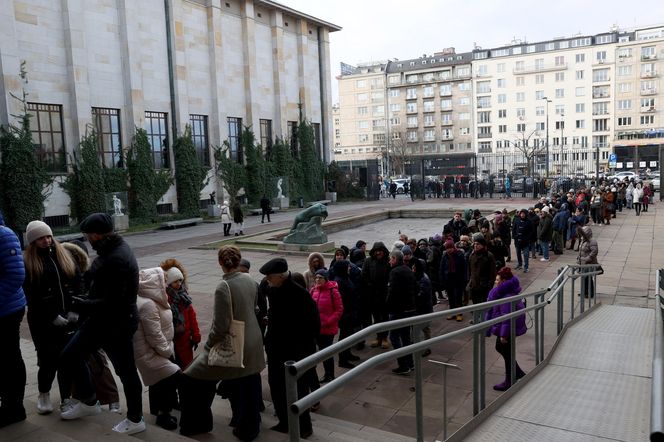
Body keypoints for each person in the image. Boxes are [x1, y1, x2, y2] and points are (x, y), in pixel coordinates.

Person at [58, 213, 145, 435]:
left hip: (116, 324)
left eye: (88, 235)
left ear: (96, 235)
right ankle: (89, 402)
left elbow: (115, 301)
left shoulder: (117, 257)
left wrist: (81, 303)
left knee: (126, 371)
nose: (87, 239)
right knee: (70, 355)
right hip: (100, 321)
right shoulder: (111, 251)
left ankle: (135, 419)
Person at [180, 246, 266, 440]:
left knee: (190, 378)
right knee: (250, 383)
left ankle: (197, 424)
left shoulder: (223, 287)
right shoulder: (250, 280)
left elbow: (220, 327)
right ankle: (249, 428)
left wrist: (209, 348)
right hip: (253, 339)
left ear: (220, 262)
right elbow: (254, 309)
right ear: (239, 260)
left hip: (235, 344)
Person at [23, 220, 82, 415]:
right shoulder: (28, 262)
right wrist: (51, 315)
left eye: (48, 236)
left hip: (68, 318)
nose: (46, 240)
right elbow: (31, 295)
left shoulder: (63, 254)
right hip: (43, 322)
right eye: (41, 238)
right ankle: (44, 394)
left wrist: (75, 308)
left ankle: (66, 398)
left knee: (66, 359)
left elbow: (77, 281)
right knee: (48, 360)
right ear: (33, 241)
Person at [260, 258, 318, 438]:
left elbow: (313, 326)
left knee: (298, 390)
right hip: (276, 351)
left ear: (280, 276)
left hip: (295, 353)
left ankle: (305, 427)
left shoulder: (300, 294)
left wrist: (302, 350)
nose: (267, 280)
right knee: (277, 388)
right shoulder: (273, 289)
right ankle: (285, 422)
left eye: (270, 277)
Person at [134, 267, 181, 430]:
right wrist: (167, 351)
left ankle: (160, 410)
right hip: (152, 352)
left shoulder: (149, 299)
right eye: (163, 282)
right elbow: (154, 336)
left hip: (156, 349)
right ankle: (163, 415)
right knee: (171, 377)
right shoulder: (148, 304)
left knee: (161, 381)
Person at [0, 212, 28, 428]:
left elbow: (16, 275)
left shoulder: (4, 235)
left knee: (9, 359)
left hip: (7, 310)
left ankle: (14, 409)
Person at [485, 267, 527, 391]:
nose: (495, 282)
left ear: (504, 281)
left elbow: (507, 318)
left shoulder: (505, 296)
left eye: (498, 280)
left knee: (504, 349)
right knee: (505, 351)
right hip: (505, 327)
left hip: (506, 329)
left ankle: (510, 379)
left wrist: (504, 335)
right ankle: (517, 373)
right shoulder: (505, 291)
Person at [160, 260, 201, 369]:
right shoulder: (165, 299)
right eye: (175, 281)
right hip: (172, 339)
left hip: (186, 340)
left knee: (186, 367)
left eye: (180, 281)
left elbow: (192, 316)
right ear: (168, 283)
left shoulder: (184, 297)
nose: (178, 284)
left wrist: (196, 335)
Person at [386, 250, 417, 375]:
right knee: (405, 337)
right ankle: (410, 363)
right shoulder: (407, 269)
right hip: (409, 308)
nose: (389, 261)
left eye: (390, 259)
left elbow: (392, 291)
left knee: (394, 336)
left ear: (394, 259)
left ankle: (403, 365)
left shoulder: (395, 272)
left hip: (398, 309)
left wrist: (387, 305)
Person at [310, 269, 343, 383]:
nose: (318, 280)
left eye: (321, 278)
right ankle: (327, 374)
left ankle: (330, 375)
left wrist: (328, 321)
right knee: (320, 353)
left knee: (326, 353)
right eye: (316, 277)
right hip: (316, 328)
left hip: (328, 328)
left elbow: (339, 310)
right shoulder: (313, 290)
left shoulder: (333, 291)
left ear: (326, 279)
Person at [360, 242, 391, 349]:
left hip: (384, 293)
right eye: (376, 251)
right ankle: (378, 337)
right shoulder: (368, 261)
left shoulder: (388, 261)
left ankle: (385, 338)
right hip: (373, 294)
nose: (378, 253)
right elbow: (363, 275)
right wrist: (370, 285)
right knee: (376, 317)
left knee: (385, 316)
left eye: (380, 251)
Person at [440, 240, 468, 321]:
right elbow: (441, 269)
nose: (449, 250)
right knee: (451, 297)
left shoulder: (460, 255)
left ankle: (459, 313)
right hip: (448, 279)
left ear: (453, 247)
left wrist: (465, 279)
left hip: (458, 279)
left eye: (450, 248)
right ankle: (452, 312)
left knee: (458, 297)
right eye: (447, 248)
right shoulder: (445, 256)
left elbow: (464, 268)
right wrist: (442, 280)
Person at [411, 258, 433, 356]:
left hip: (423, 309)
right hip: (421, 308)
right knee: (421, 328)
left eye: (414, 266)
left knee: (424, 328)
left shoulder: (423, 279)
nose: (412, 268)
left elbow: (421, 295)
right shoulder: (419, 276)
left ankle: (426, 347)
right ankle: (419, 345)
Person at [467, 237, 496, 305]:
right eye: (474, 244)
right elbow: (470, 270)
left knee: (483, 306)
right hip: (474, 286)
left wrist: (489, 285)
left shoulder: (489, 256)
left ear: (483, 245)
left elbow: (493, 273)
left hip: (484, 286)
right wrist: (470, 282)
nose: (475, 246)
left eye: (478, 244)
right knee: (475, 305)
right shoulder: (472, 255)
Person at [577, 225, 598, 298]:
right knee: (584, 278)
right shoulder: (584, 240)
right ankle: (584, 292)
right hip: (583, 262)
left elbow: (594, 252)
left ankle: (590, 293)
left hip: (589, 263)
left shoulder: (592, 241)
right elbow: (581, 250)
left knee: (588, 278)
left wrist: (588, 258)